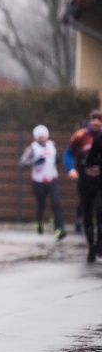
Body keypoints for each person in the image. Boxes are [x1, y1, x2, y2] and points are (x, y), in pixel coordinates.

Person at [18, 125, 66, 240]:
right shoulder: (32, 148)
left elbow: (56, 158)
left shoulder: (51, 145)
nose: (42, 139)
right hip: (38, 181)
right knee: (41, 204)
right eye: (39, 137)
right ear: (36, 137)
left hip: (52, 179)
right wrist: (35, 162)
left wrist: (58, 160)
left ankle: (59, 229)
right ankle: (38, 222)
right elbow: (22, 162)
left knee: (56, 204)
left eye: (44, 136)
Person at [72, 111, 102, 262]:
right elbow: (67, 153)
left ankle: (99, 245)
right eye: (94, 119)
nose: (96, 122)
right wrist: (71, 169)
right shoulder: (80, 136)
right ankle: (91, 246)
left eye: (99, 120)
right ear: (89, 121)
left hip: (100, 182)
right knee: (88, 215)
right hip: (84, 181)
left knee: (100, 210)